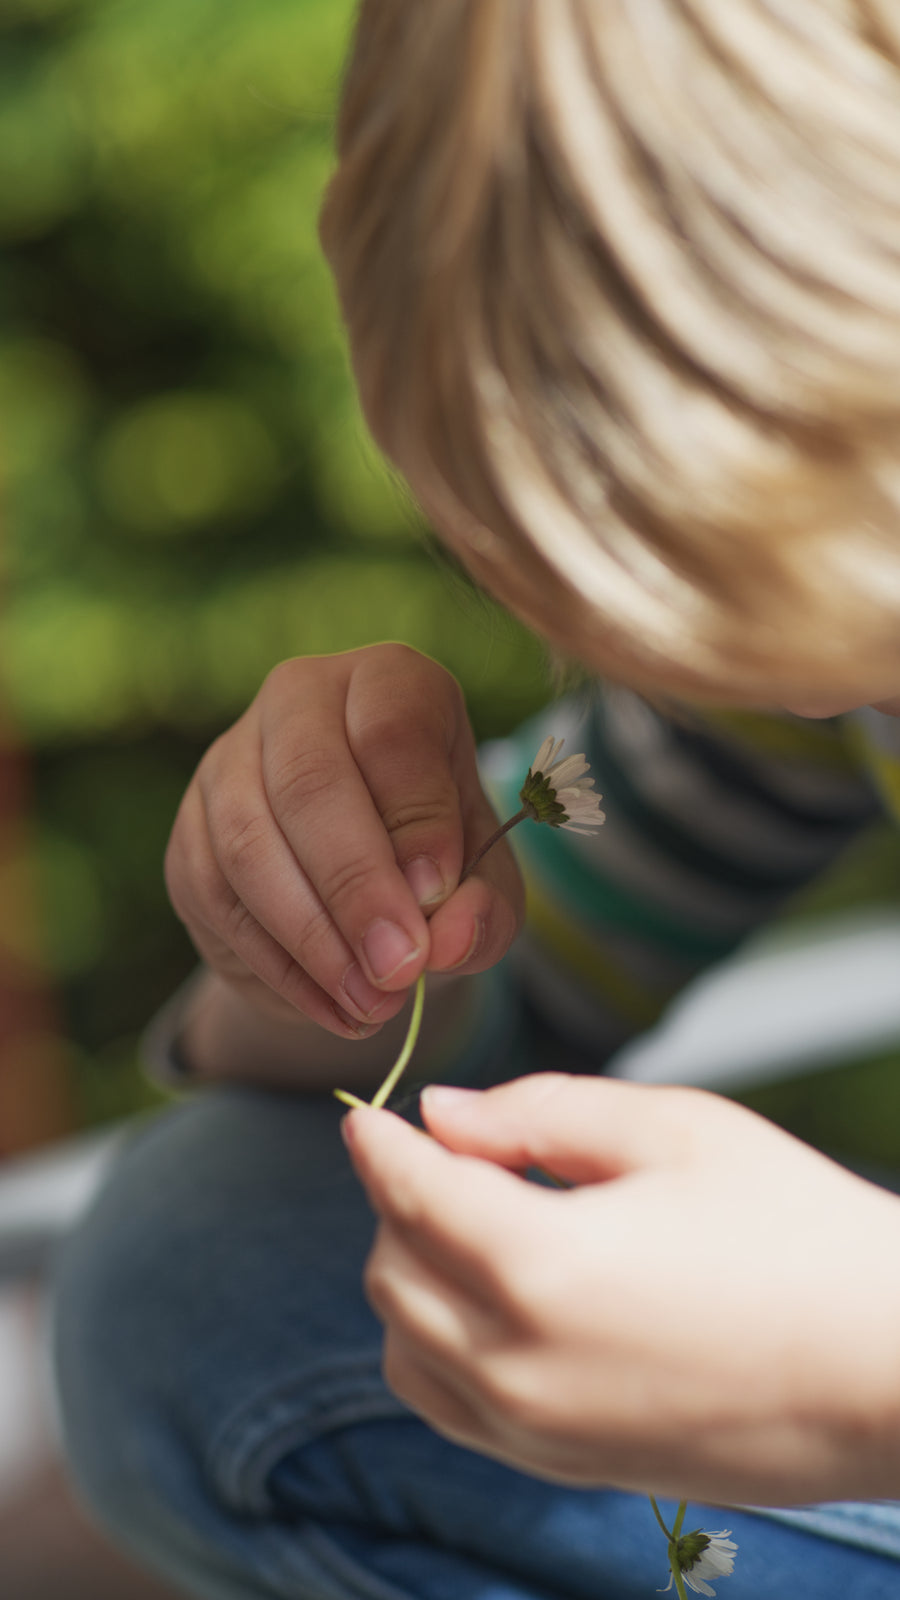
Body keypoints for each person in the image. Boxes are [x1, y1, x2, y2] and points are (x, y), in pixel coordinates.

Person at [51, 4, 900, 1597]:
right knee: (207, 1268)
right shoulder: (829, 663)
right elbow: (514, 997)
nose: (810, 700)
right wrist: (325, 940)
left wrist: (870, 1364)